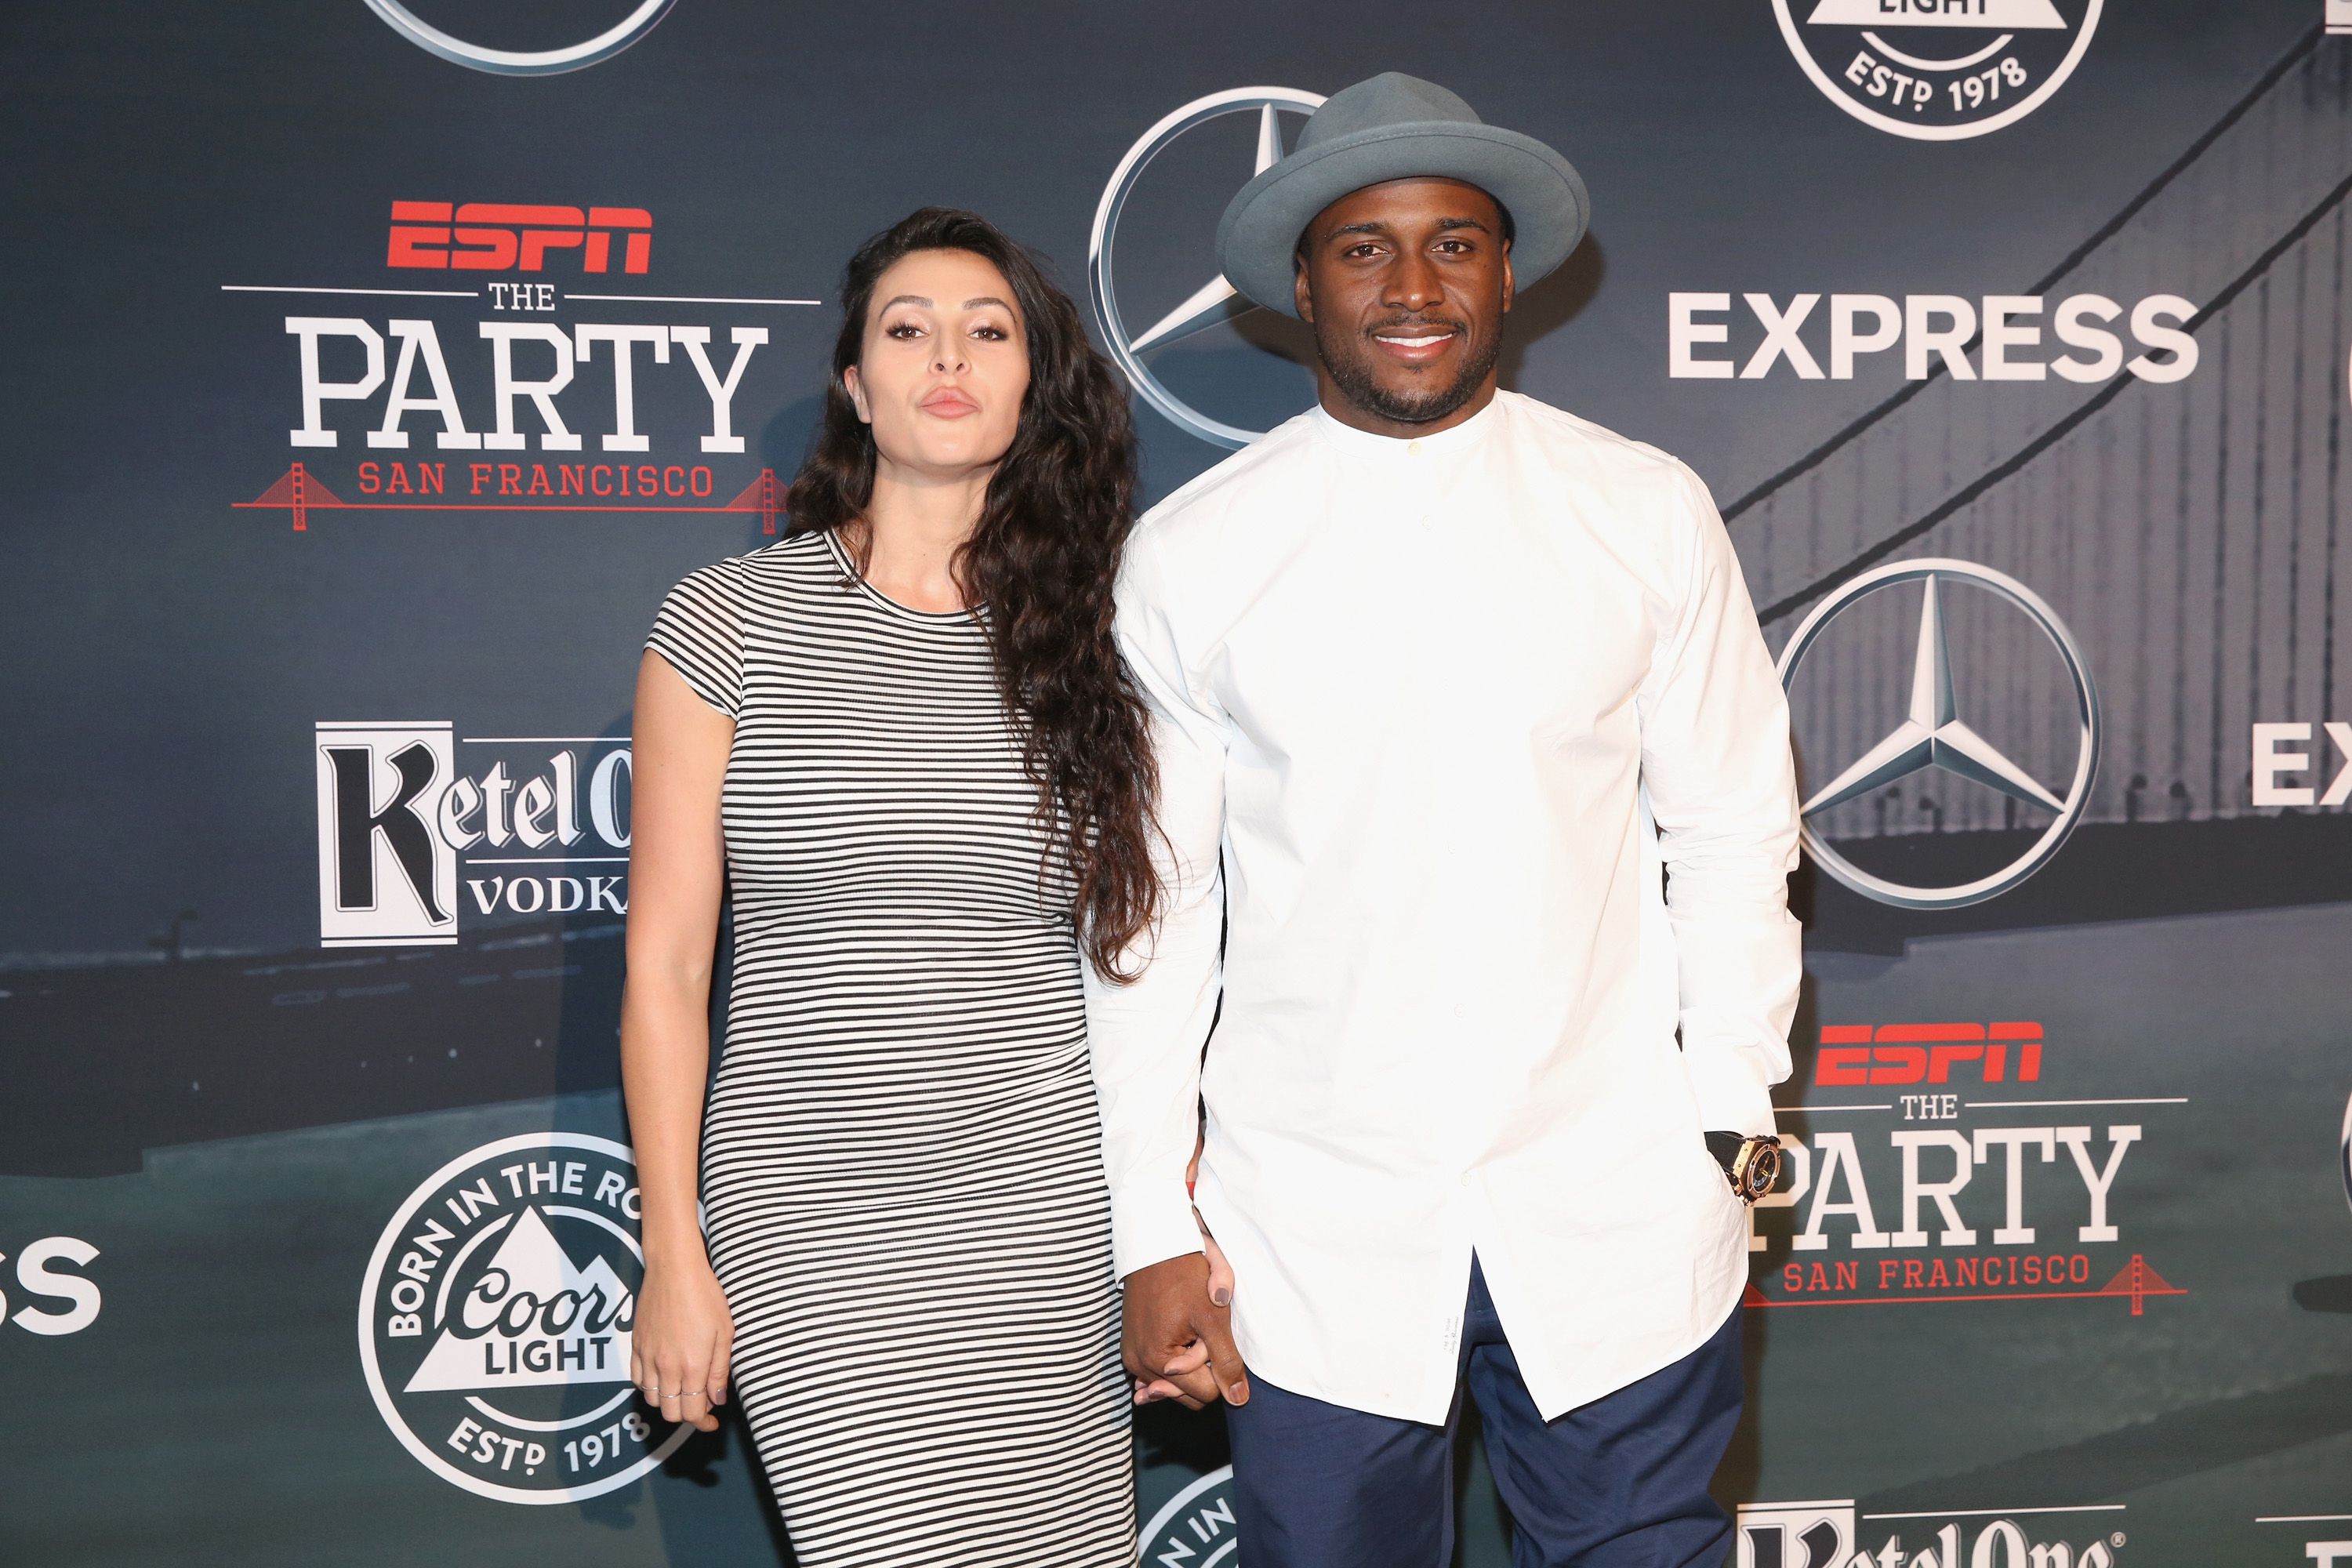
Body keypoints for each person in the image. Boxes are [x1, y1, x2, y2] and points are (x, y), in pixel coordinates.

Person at [1087, 74, 1802, 1566]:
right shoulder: (1195, 553)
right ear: (1301, 282)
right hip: (1314, 1231)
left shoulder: (1643, 509)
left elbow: (1734, 827)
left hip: (1616, 1208)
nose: (1414, 287)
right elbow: (1152, 911)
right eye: (1365, 249)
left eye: (1454, 245)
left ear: (1508, 272)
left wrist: (1725, 1113)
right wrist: (1150, 1215)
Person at [621, 207, 1158, 1567]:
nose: (948, 357)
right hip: (813, 1211)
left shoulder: (1104, 641)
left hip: (1040, 1205)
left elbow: (1156, 953)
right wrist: (673, 1251)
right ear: (856, 387)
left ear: (1032, 384)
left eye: (989, 332)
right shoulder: (730, 618)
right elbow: (671, 966)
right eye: (906, 330)